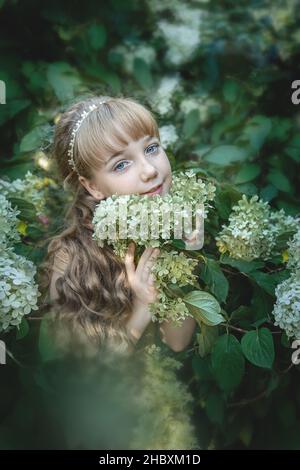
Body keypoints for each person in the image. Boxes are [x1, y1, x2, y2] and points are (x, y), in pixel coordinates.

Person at [41, 95, 203, 357]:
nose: (149, 170)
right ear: (92, 186)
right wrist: (141, 309)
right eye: (121, 164)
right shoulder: (70, 256)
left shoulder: (179, 226)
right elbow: (76, 373)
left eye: (151, 148)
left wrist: (183, 256)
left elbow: (178, 341)